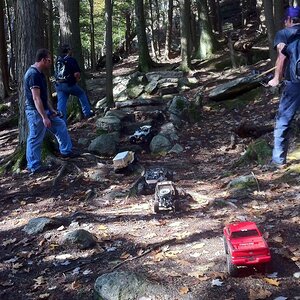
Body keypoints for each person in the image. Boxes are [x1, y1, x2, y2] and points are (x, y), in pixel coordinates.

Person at [24, 48, 76, 174]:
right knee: (36, 137)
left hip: (44, 109)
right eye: (48, 60)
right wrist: (44, 117)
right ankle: (33, 166)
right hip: (35, 112)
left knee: (60, 124)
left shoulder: (40, 73)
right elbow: (36, 98)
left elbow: (43, 97)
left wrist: (52, 110)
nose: (50, 63)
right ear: (42, 60)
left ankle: (66, 151)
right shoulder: (33, 75)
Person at [268, 6, 300, 167]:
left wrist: (276, 78)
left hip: (295, 84)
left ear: (288, 20)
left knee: (283, 120)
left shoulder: (284, 34)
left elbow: (281, 57)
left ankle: (278, 160)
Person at [55, 44, 93, 123]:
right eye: (70, 49)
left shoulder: (58, 60)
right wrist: (77, 79)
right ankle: (87, 113)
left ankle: (62, 122)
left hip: (59, 84)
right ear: (68, 50)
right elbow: (76, 74)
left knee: (61, 103)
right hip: (69, 84)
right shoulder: (71, 60)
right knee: (81, 93)